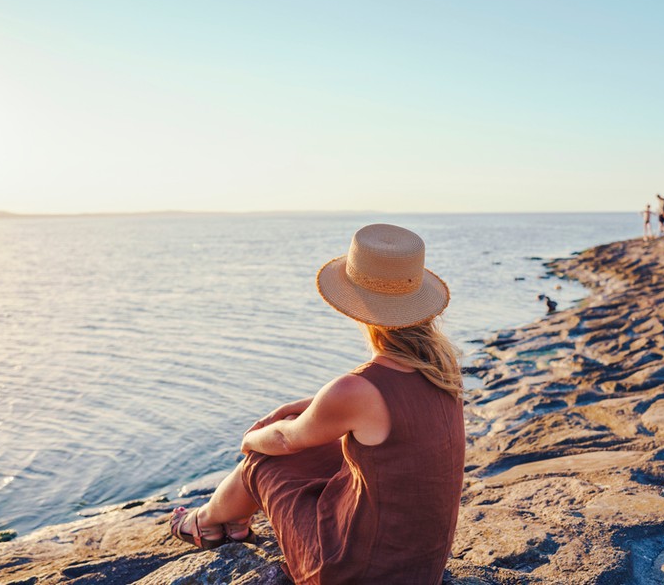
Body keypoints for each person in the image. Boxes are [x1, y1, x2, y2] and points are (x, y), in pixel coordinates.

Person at [169, 224, 464, 583]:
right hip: (420, 567)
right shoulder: (442, 369)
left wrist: (251, 440)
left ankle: (203, 523)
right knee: (326, 451)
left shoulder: (356, 391)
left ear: (357, 308)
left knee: (262, 461)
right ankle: (228, 521)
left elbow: (283, 440)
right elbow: (382, 401)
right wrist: (304, 406)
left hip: (355, 572)